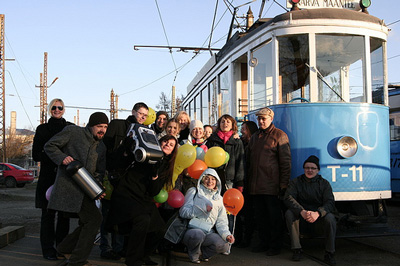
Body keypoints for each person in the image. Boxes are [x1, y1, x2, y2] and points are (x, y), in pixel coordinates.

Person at [44, 112, 109, 266]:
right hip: (69, 188)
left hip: (86, 190)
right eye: (99, 126)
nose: (102, 130)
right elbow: (49, 145)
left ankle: (65, 248)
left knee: (90, 220)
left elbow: (99, 171)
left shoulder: (101, 146)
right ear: (91, 125)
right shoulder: (73, 132)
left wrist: (99, 188)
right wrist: (61, 158)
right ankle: (77, 260)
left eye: (105, 127)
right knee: (94, 220)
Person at [107, 134, 178, 266]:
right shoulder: (143, 152)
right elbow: (119, 163)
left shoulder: (166, 167)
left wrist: (155, 177)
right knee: (143, 221)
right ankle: (133, 260)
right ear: (159, 142)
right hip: (126, 194)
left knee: (160, 229)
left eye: (171, 145)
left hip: (143, 199)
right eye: (165, 141)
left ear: (173, 151)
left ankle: (144, 256)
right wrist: (126, 149)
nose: (167, 144)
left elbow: (154, 191)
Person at [101, 102, 149, 259]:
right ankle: (105, 248)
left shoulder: (144, 131)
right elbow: (104, 148)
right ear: (133, 111)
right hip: (111, 175)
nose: (143, 117)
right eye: (141, 113)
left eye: (145, 115)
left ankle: (119, 248)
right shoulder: (117, 125)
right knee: (107, 214)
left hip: (127, 179)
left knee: (121, 214)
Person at [246, 107, 291, 256]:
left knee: (274, 218)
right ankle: (263, 243)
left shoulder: (279, 135)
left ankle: (275, 246)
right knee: (260, 218)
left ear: (271, 118)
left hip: (271, 186)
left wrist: (283, 184)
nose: (260, 121)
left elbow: (285, 163)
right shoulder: (254, 137)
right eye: (259, 119)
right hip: (256, 185)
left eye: (263, 118)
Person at [32, 98, 72, 260]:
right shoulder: (42, 129)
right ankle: (48, 250)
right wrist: (58, 157)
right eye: (54, 107)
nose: (57, 110)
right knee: (47, 216)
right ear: (50, 109)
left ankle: (61, 248)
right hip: (47, 177)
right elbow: (35, 155)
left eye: (60, 107)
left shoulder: (70, 128)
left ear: (64, 109)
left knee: (64, 216)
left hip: (65, 177)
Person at [284, 155, 336, 265]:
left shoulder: (324, 184)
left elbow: (330, 202)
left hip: (318, 216)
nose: (310, 170)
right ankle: (297, 249)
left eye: (313, 168)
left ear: (318, 170)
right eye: (307, 168)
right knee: (289, 213)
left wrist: (318, 213)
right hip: (302, 215)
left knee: (330, 218)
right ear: (304, 169)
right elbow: (288, 198)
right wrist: (301, 211)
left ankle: (329, 252)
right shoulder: (296, 182)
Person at [179, 168, 235, 264]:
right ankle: (193, 254)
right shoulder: (193, 192)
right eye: (207, 178)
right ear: (202, 179)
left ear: (217, 181)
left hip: (208, 232)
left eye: (213, 179)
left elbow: (222, 222)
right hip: (192, 230)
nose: (210, 181)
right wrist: (201, 209)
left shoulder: (220, 199)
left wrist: (227, 235)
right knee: (197, 234)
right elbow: (183, 212)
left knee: (225, 245)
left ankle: (204, 255)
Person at [206, 114, 244, 194]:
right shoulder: (212, 140)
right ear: (219, 125)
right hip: (213, 179)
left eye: (228, 122)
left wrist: (240, 182)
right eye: (222, 122)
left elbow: (240, 162)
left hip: (230, 180)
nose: (225, 124)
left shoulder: (237, 142)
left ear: (232, 125)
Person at [236, 120, 258, 248]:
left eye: (243, 128)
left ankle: (248, 239)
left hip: (252, 182)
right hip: (243, 182)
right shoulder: (241, 143)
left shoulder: (254, 144)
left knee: (249, 213)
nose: (241, 131)